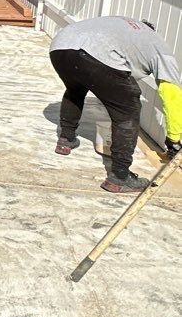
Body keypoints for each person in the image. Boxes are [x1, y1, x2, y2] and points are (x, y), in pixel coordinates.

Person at [49, 15, 182, 194]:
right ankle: (119, 177)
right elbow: (172, 96)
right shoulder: (159, 47)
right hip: (92, 53)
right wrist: (174, 139)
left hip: (60, 47)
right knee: (128, 111)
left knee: (75, 89)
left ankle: (66, 140)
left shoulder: (124, 25)